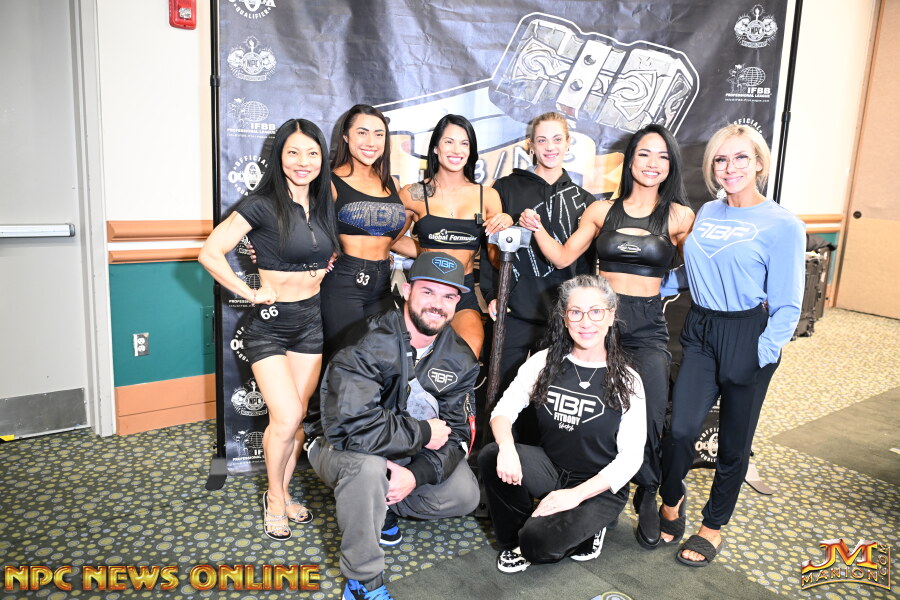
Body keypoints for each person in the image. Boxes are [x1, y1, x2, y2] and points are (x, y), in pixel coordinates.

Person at [519, 124, 694, 548]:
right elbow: (564, 256)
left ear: (670, 165)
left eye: (662, 156)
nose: (652, 164)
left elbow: (699, 271)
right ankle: (578, 482)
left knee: (650, 412)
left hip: (647, 326)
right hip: (599, 325)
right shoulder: (601, 211)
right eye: (644, 154)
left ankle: (646, 491)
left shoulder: (679, 217)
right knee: (586, 406)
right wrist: (535, 227)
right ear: (630, 160)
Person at [657, 124, 804, 567]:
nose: (730, 167)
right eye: (721, 159)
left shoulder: (783, 225)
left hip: (748, 334)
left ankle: (712, 527)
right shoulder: (708, 211)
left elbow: (788, 304)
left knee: (733, 445)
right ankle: (671, 499)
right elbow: (693, 271)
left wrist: (762, 353)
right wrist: (650, 286)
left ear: (759, 163)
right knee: (680, 431)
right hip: (702, 330)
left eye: (741, 157)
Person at [308, 252, 481, 600]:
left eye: (448, 296)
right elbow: (353, 428)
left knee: (465, 494)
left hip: (403, 450)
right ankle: (363, 581)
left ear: (457, 302)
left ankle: (378, 504)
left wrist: (415, 475)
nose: (437, 305)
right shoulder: (367, 342)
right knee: (367, 469)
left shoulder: (460, 357)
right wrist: (425, 433)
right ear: (406, 291)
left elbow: (459, 434)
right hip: (335, 444)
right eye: (428, 292)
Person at [198, 118, 339, 540]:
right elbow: (210, 253)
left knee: (295, 422)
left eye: (312, 153)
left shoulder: (326, 199)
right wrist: (249, 291)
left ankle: (284, 491)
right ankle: (275, 498)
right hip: (270, 327)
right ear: (279, 157)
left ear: (322, 158)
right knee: (287, 415)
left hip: (310, 323)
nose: (303, 161)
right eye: (293, 152)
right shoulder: (261, 204)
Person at [478, 274, 646, 572]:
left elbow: (631, 458)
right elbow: (503, 410)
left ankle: (586, 529)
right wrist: (507, 447)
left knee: (538, 543)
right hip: (552, 468)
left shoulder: (627, 379)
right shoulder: (544, 361)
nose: (586, 322)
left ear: (611, 316)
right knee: (492, 455)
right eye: (576, 312)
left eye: (596, 312)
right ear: (565, 318)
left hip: (598, 485)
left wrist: (575, 495)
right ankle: (516, 539)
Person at [482, 112, 596, 440]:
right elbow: (490, 249)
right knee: (502, 389)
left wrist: (580, 312)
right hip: (514, 310)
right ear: (530, 145)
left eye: (557, 139)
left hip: (559, 316)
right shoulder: (505, 189)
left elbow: (584, 266)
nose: (550, 147)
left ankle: (539, 460)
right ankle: (493, 456)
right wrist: (492, 294)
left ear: (568, 144)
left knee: (551, 396)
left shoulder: (584, 201)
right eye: (542, 140)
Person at [399, 114, 513, 357]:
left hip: (463, 291)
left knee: (467, 356)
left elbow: (495, 260)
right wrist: (427, 251)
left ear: (471, 151)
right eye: (449, 142)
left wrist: (506, 228)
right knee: (412, 360)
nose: (456, 150)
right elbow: (390, 239)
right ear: (435, 148)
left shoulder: (487, 196)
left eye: (464, 143)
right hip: (425, 290)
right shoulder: (413, 193)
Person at [319, 104, 410, 355]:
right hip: (344, 283)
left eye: (379, 134)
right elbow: (304, 227)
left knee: (382, 360)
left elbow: (390, 235)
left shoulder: (391, 183)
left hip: (382, 283)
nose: (371, 142)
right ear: (346, 137)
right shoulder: (329, 181)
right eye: (362, 133)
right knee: (346, 361)